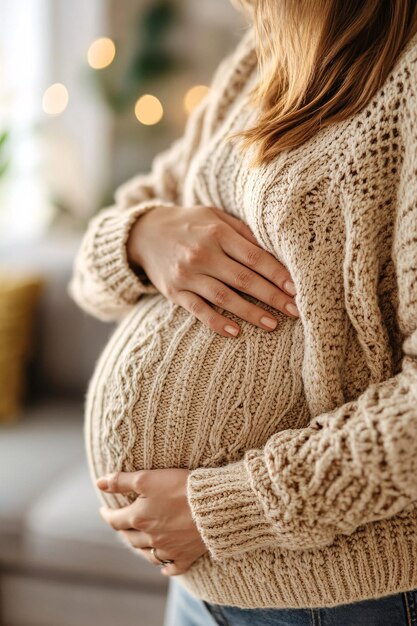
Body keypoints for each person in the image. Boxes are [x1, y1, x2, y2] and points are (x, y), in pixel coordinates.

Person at [69, 1, 417, 624]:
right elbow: (90, 275)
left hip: (339, 595)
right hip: (203, 585)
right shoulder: (261, 58)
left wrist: (223, 509)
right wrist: (143, 235)